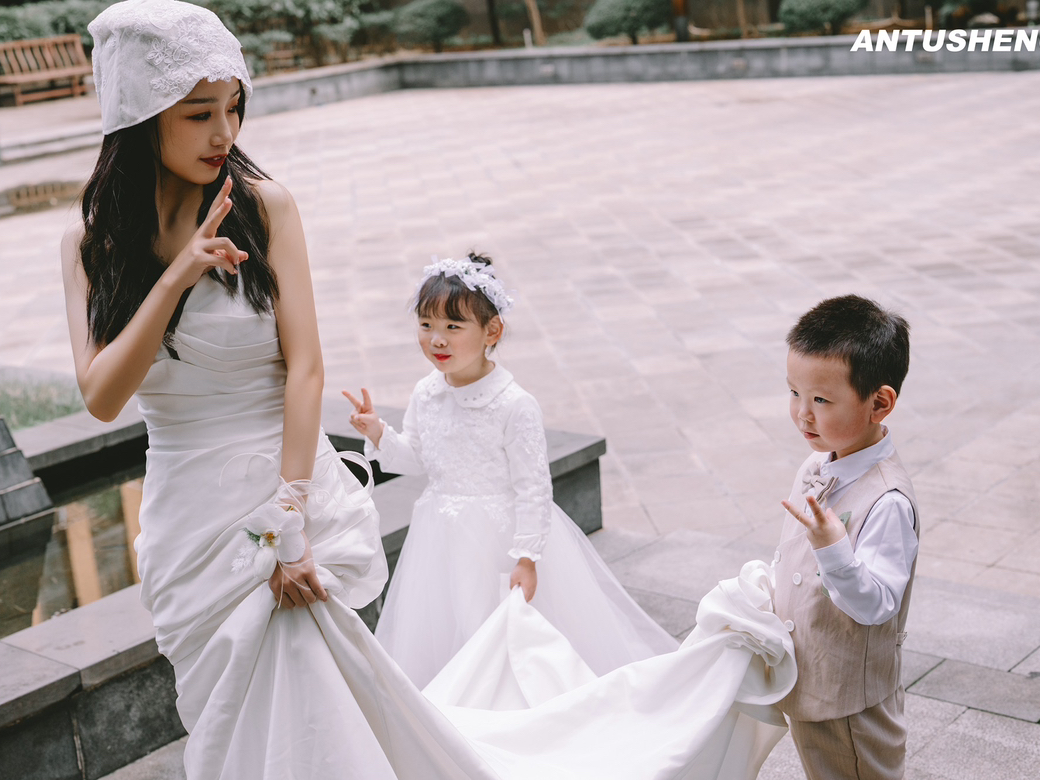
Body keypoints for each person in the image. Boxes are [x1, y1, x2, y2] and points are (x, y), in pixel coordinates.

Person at [63, 2, 499, 778]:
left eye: (233, 106)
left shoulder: (265, 208)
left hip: (282, 488)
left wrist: (287, 522)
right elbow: (102, 395)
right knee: (230, 722)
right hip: (191, 519)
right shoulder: (90, 245)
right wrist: (176, 277)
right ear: (139, 116)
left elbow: (306, 370)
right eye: (199, 113)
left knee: (312, 703)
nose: (224, 132)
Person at [343, 253, 679, 687]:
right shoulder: (426, 393)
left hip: (499, 539)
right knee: (448, 623)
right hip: (439, 533)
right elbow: (419, 458)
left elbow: (533, 488)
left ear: (492, 331)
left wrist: (527, 558)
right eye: (426, 325)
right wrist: (378, 433)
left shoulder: (514, 404)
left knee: (498, 629)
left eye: (453, 326)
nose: (436, 339)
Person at [774, 295, 920, 780]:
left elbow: (877, 604)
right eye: (794, 392)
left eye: (821, 400)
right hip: (811, 679)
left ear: (879, 403)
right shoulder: (816, 463)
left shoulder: (888, 501)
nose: (802, 414)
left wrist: (834, 548)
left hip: (850, 703)